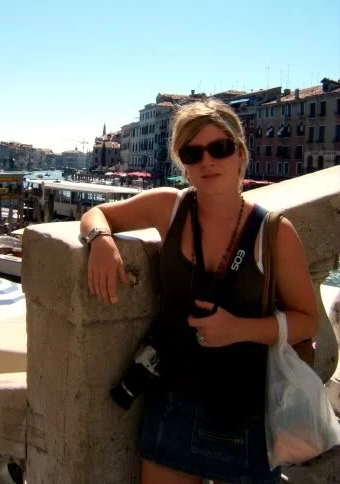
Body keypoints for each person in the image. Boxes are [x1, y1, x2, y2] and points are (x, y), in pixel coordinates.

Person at [80, 99, 318, 484]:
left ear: (240, 153)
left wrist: (238, 329)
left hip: (246, 411)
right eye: (193, 153)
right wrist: (101, 241)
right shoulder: (169, 207)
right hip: (172, 403)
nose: (207, 161)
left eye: (219, 148)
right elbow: (98, 213)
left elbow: (308, 322)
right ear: (183, 164)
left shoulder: (274, 232)